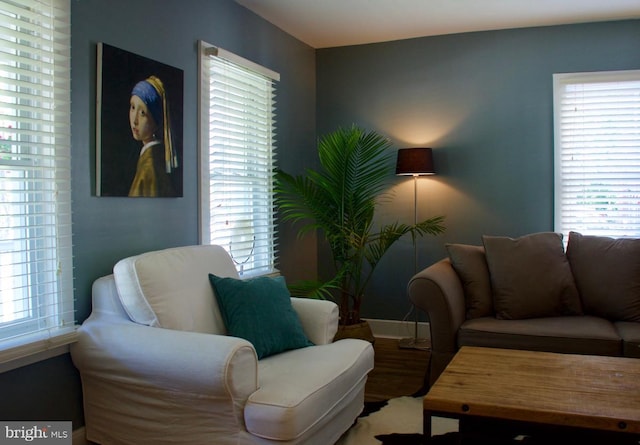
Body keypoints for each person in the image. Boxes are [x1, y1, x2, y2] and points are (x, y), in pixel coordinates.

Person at [128, 75, 178, 197]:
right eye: (133, 107)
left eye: (143, 113)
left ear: (156, 121)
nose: (135, 120)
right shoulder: (153, 155)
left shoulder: (150, 165)